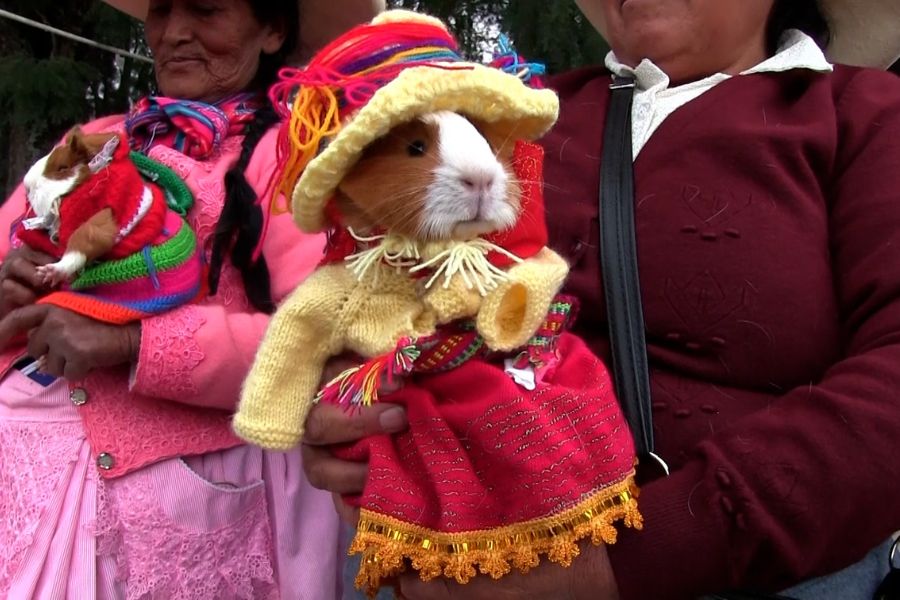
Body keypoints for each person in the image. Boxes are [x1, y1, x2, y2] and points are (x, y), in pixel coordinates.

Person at [302, 1, 900, 599]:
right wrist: (351, 388)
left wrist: (619, 565)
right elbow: (377, 275)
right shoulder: (508, 118)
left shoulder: (866, 114)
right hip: (441, 555)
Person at [0, 0, 381, 597]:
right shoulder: (94, 141)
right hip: (24, 478)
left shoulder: (295, 159)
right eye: (161, 11)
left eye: (206, 10)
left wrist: (131, 342)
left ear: (273, 29)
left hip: (194, 507)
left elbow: (330, 335)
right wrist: (11, 286)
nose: (174, 34)